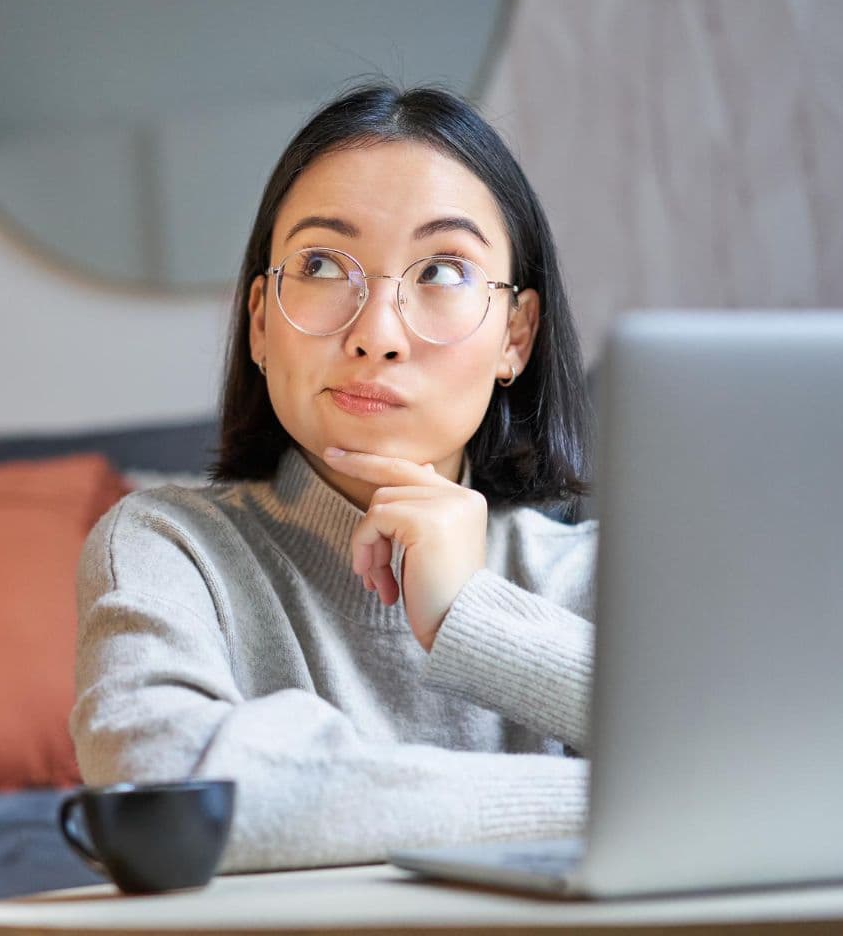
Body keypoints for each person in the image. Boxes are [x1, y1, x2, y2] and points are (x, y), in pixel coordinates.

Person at [69, 80, 598, 873]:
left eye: (445, 271)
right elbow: (169, 791)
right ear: (258, 320)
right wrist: (612, 799)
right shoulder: (166, 547)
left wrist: (472, 616)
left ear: (516, 337)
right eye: (321, 263)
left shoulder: (589, 572)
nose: (377, 334)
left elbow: (760, 762)